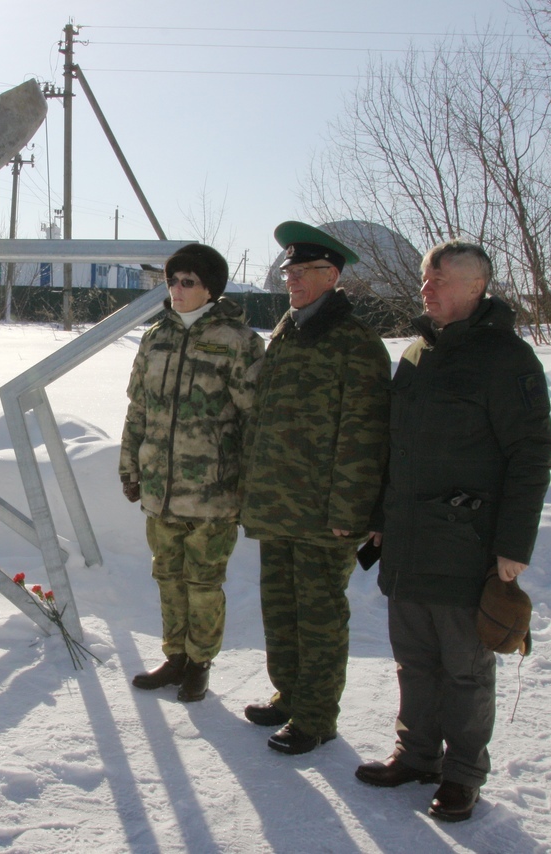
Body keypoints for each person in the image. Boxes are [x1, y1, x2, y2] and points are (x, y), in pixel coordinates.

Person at [355, 239, 551, 823]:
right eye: (425, 278)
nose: (428, 287)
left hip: (468, 543)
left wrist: (513, 547)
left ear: (477, 286)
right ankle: (417, 754)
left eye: (441, 279)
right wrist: (381, 520)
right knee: (414, 659)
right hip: (409, 538)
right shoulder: (416, 353)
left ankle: (464, 773)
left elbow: (531, 455)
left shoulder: (507, 358)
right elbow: (395, 447)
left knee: (465, 669)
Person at [239, 221, 391, 754]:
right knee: (280, 609)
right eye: (289, 271)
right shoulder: (286, 331)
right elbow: (263, 417)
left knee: (320, 615)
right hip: (278, 504)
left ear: (333, 276)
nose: (293, 279)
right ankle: (289, 695)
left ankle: (317, 716)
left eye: (305, 271)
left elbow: (365, 434)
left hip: (325, 513)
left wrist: (351, 511)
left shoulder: (356, 342)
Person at [120, 242, 264, 703]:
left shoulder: (238, 341)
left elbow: (254, 419)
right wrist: (130, 464)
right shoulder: (155, 337)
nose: (177, 290)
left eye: (188, 282)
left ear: (210, 289)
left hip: (211, 493)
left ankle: (200, 663)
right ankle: (175, 657)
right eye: (172, 281)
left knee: (203, 585)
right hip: (160, 488)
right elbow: (138, 408)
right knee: (168, 578)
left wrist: (248, 485)